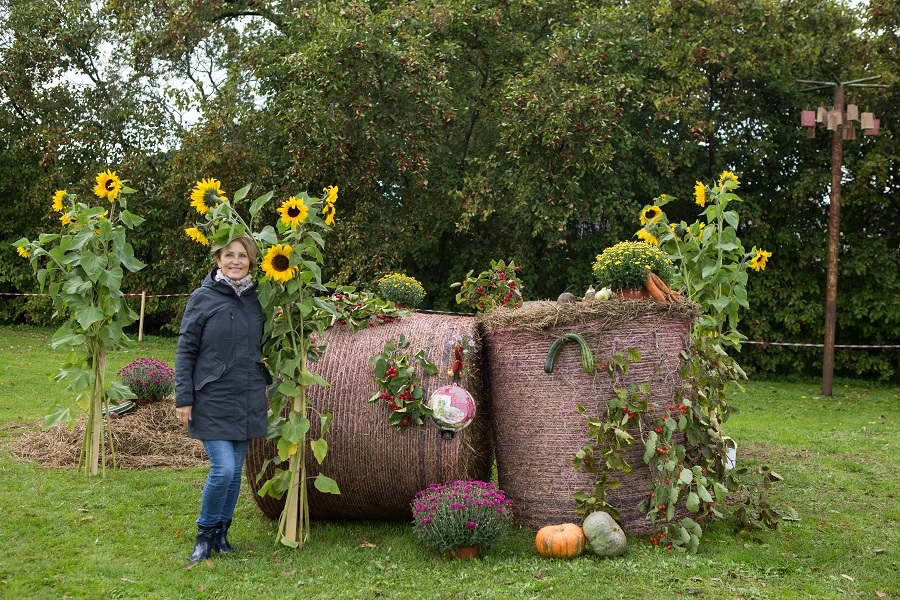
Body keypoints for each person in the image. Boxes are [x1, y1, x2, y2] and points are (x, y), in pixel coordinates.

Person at [175, 234, 270, 565]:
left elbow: (269, 345)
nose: (235, 261)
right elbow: (186, 349)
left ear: (251, 261)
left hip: (247, 394)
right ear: (218, 260)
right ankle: (203, 536)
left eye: (242, 255)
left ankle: (221, 534)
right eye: (229, 255)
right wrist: (183, 398)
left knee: (236, 469)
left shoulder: (259, 300)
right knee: (223, 469)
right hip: (212, 395)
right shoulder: (203, 298)